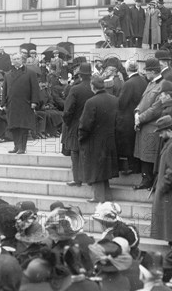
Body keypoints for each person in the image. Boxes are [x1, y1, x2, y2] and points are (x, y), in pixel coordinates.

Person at [78, 75, 119, 203]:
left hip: (94, 141)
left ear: (92, 86)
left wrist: (81, 137)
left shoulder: (91, 102)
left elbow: (85, 124)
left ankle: (99, 197)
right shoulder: (114, 100)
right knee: (104, 169)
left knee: (96, 169)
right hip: (110, 139)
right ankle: (107, 196)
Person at [133, 59, 164, 190]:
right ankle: (146, 179)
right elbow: (143, 101)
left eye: (147, 71)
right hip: (144, 125)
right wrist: (137, 112)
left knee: (149, 155)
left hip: (152, 126)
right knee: (144, 155)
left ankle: (149, 181)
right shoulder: (151, 84)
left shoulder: (162, 85)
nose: (145, 73)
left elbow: (157, 108)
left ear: (153, 72)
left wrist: (140, 117)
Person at [62, 62, 95, 187]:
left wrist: (68, 123)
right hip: (92, 125)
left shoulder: (75, 89)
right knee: (89, 153)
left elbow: (68, 110)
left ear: (80, 75)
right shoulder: (94, 88)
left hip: (75, 125)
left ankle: (77, 179)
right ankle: (90, 178)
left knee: (75, 153)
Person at [2, 52, 40, 154]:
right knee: (13, 126)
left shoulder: (30, 73)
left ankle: (22, 147)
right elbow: (4, 90)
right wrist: (3, 103)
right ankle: (16, 146)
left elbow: (35, 89)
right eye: (14, 59)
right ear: (11, 61)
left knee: (23, 126)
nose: (16, 61)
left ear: (22, 60)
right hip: (12, 104)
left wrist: (34, 102)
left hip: (25, 103)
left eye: (18, 58)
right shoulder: (8, 74)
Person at [116, 59, 148, 176]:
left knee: (129, 143)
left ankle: (132, 167)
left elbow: (121, 103)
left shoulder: (128, 83)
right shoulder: (143, 80)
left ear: (127, 69)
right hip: (140, 114)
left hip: (129, 117)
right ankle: (137, 166)